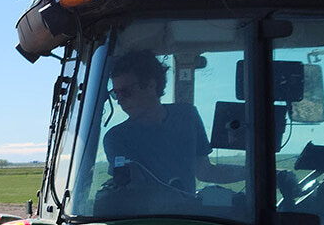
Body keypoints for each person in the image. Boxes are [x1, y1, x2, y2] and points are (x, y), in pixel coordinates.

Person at [102, 52, 246, 194]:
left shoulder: (187, 116)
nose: (120, 101)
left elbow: (205, 171)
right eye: (116, 94)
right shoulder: (116, 138)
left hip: (186, 214)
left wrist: (252, 172)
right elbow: (127, 189)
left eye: (126, 92)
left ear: (150, 85)